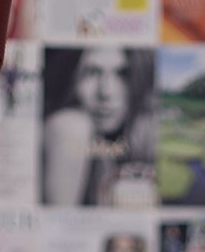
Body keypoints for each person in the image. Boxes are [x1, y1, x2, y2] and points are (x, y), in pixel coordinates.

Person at [42, 46, 156, 207]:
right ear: (70, 78)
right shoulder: (69, 125)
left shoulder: (142, 130)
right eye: (92, 73)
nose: (106, 92)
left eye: (121, 74)